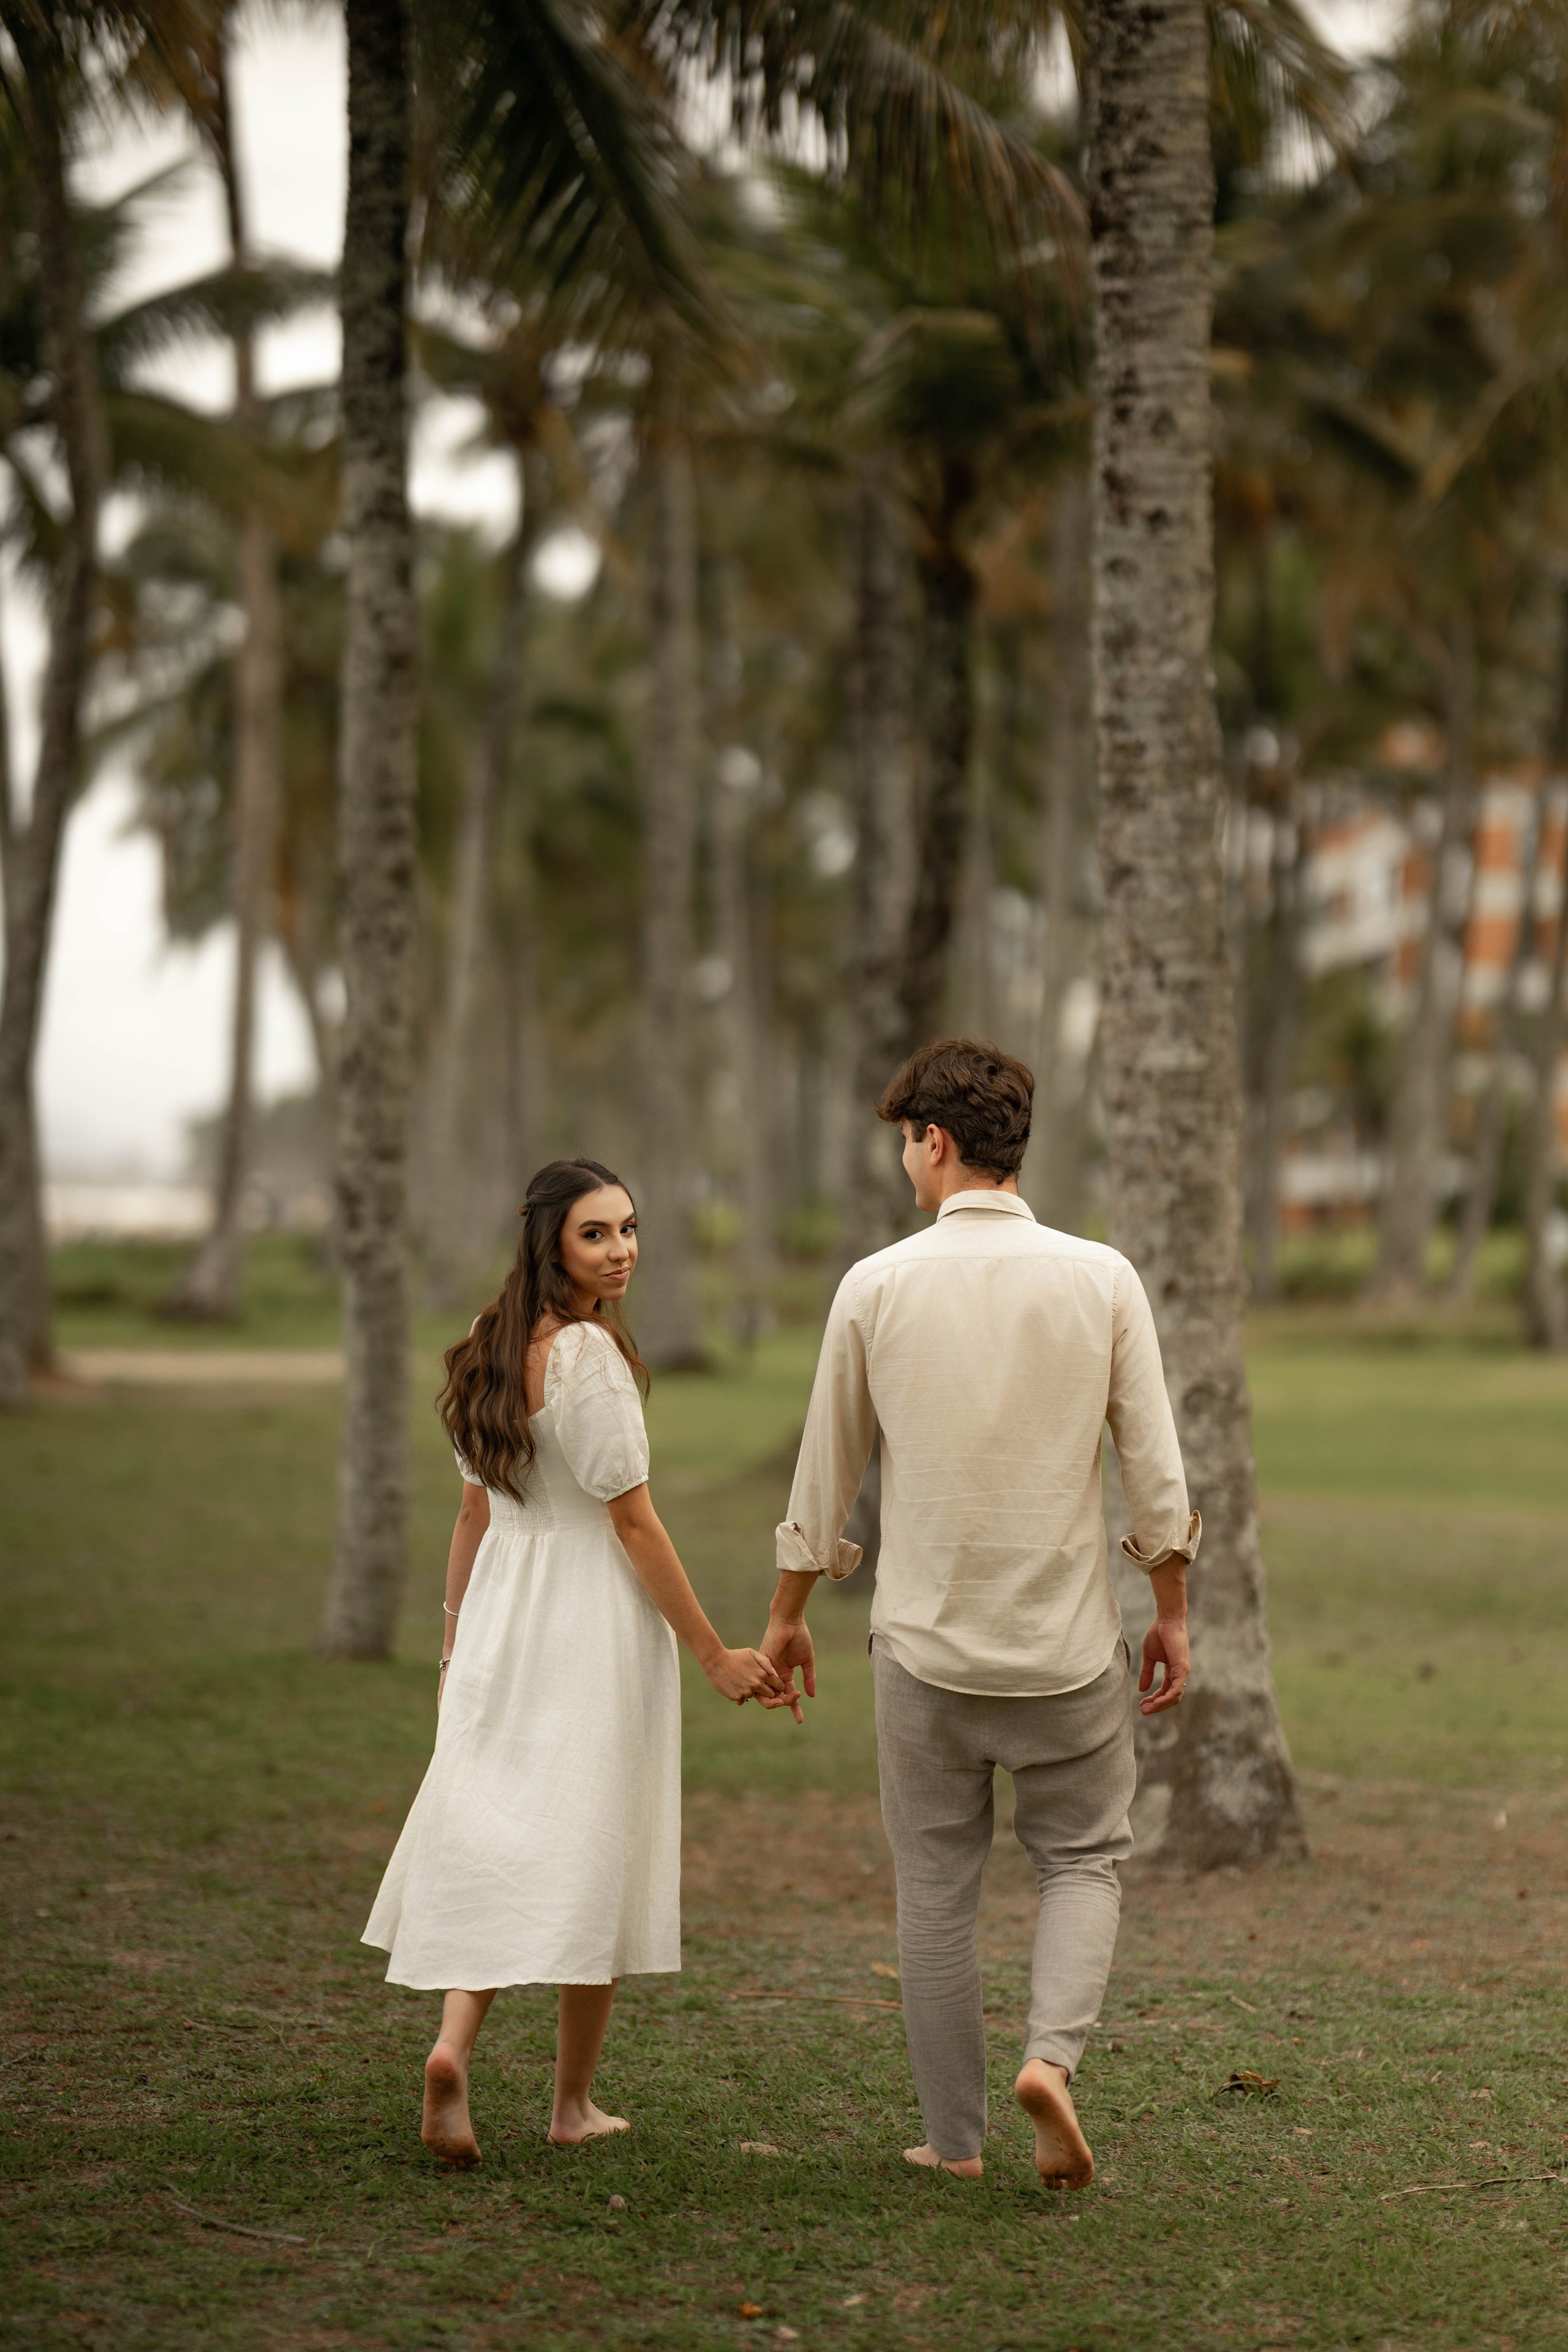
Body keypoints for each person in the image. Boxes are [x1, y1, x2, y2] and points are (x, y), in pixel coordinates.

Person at [757, 1041, 1197, 2189]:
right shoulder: (1104, 1278)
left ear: (937, 1143)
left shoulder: (877, 1284)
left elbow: (824, 1476)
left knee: (937, 1889)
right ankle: (1050, 2059)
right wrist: (1173, 1613)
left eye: (907, 1141)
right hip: (1067, 1658)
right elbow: (1155, 1477)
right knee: (1085, 1863)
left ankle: (954, 2142)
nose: (906, 1163)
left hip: (924, 1656)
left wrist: (788, 1615)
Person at [363, 1157, 783, 2166]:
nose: (623, 1249)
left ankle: (454, 2046)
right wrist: (714, 1651)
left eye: (630, 1229)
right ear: (549, 1239)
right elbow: (632, 1523)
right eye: (597, 1233)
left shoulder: (486, 1343)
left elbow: (475, 1511)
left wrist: (456, 1632)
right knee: (591, 1838)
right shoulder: (589, 1356)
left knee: (505, 1831)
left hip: (507, 1606)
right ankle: (570, 2105)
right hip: (587, 1614)